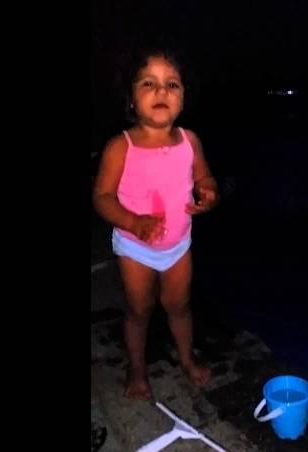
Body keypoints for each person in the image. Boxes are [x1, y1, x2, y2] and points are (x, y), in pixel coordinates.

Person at [93, 48, 219, 400]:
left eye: (172, 84)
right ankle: (136, 369)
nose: (161, 91)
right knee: (139, 310)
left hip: (178, 245)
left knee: (179, 306)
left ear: (183, 98)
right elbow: (101, 197)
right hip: (135, 247)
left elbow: (204, 176)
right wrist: (133, 222)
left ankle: (186, 358)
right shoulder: (121, 146)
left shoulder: (190, 141)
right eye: (149, 83)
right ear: (132, 98)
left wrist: (208, 192)